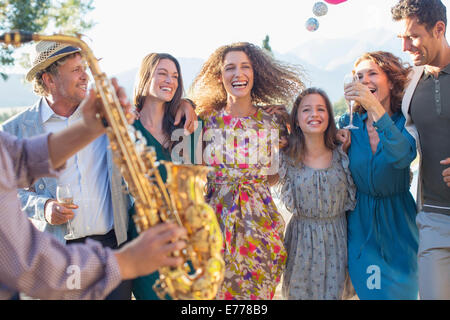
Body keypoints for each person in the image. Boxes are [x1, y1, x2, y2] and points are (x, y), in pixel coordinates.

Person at [0, 41, 196, 299]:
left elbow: (151, 113)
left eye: (85, 68)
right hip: (57, 253)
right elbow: (9, 192)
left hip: (113, 246)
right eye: (76, 70)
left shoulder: (107, 117)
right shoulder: (15, 129)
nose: (86, 77)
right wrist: (44, 207)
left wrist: (186, 102)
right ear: (49, 79)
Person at [189, 42, 305, 300]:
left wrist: (286, 133)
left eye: (245, 67)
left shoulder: (272, 120)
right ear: (220, 77)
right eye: (230, 68)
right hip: (215, 224)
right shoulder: (205, 120)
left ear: (255, 73)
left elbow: (275, 175)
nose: (238, 74)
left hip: (260, 227)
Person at [338, 51, 419, 299]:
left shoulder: (406, 122)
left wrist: (375, 108)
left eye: (373, 73)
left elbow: (402, 156)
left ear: (391, 81)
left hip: (400, 225)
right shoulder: (348, 124)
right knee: (373, 295)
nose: (364, 80)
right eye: (359, 76)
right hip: (362, 229)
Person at [127, 52, 201, 300]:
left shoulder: (185, 129)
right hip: (143, 239)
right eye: (162, 73)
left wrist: (187, 103)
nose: (170, 80)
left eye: (175, 76)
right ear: (146, 76)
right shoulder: (127, 129)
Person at [391, 0, 450, 299]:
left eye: (412, 37)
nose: (405, 46)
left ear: (439, 29)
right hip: (433, 220)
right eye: (400, 37)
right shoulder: (411, 82)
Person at [273, 88, 356, 300]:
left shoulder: (343, 152)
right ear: (297, 120)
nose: (314, 114)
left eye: (321, 109)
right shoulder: (288, 157)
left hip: (337, 241)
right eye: (306, 110)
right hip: (300, 243)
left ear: (329, 116)